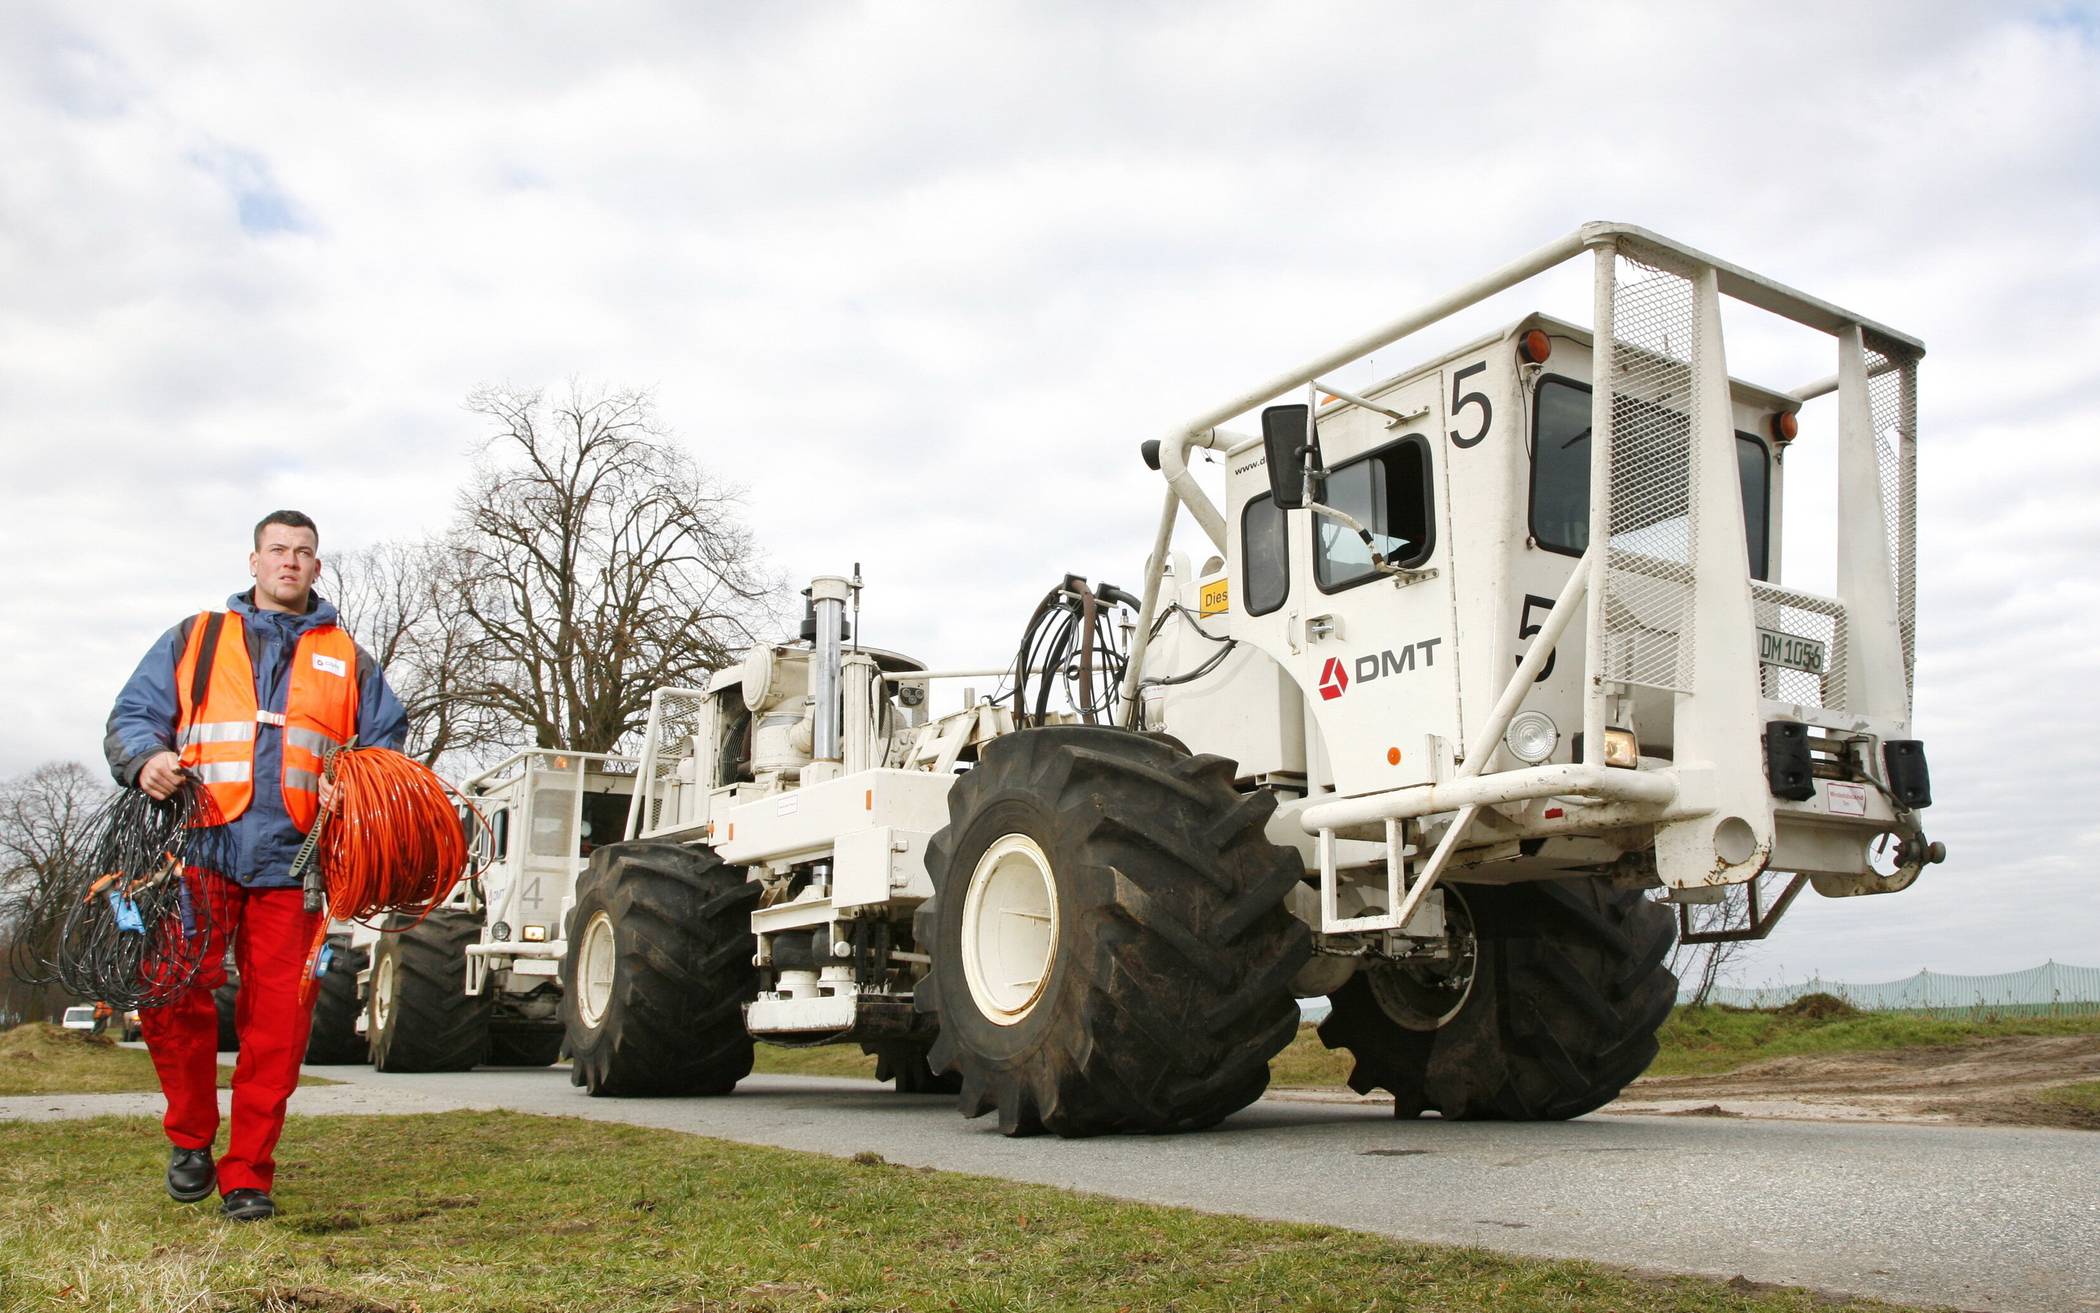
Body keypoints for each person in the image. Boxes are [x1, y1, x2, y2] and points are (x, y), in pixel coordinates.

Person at [105, 510, 407, 1222]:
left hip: (296, 864)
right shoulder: (196, 637)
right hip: (199, 847)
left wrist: (358, 781)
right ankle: (190, 1138)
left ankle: (249, 1176)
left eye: (304, 552)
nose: (290, 562)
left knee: (278, 1027)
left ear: (317, 568)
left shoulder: (349, 658)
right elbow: (133, 715)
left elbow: (388, 745)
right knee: (170, 992)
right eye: (278, 550)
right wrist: (146, 758)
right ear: (254, 561)